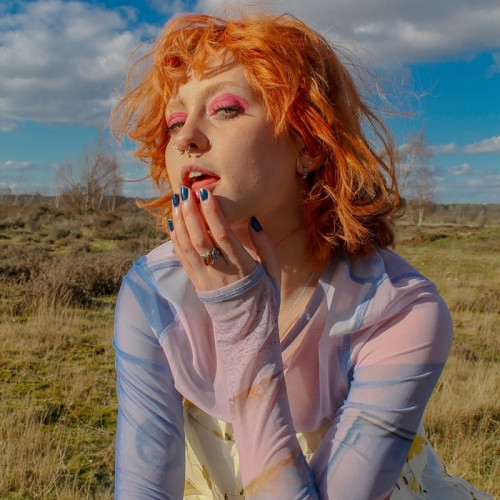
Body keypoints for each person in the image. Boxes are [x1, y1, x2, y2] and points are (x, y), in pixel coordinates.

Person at [110, 10, 491, 500]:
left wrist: (243, 329)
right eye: (176, 120)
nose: (185, 139)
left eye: (225, 108)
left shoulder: (399, 312)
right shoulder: (152, 297)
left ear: (308, 144)